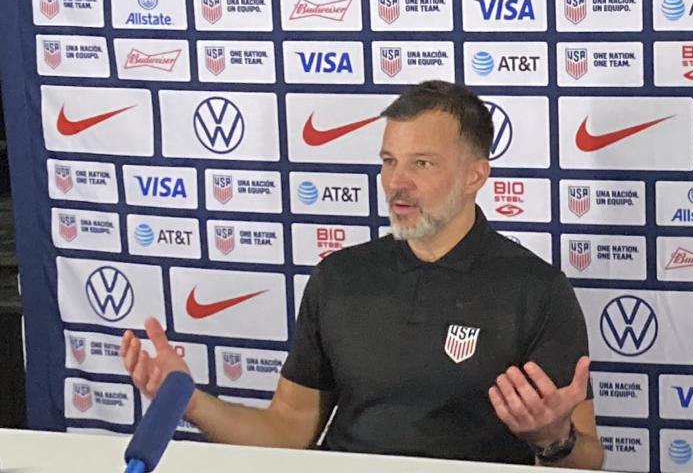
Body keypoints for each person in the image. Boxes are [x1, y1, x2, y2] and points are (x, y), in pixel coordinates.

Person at [121, 81, 603, 469]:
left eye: (422, 163)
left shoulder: (538, 291)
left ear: (475, 175)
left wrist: (553, 440)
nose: (397, 182)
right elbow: (287, 431)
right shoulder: (340, 277)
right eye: (389, 161)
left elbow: (588, 457)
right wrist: (187, 401)